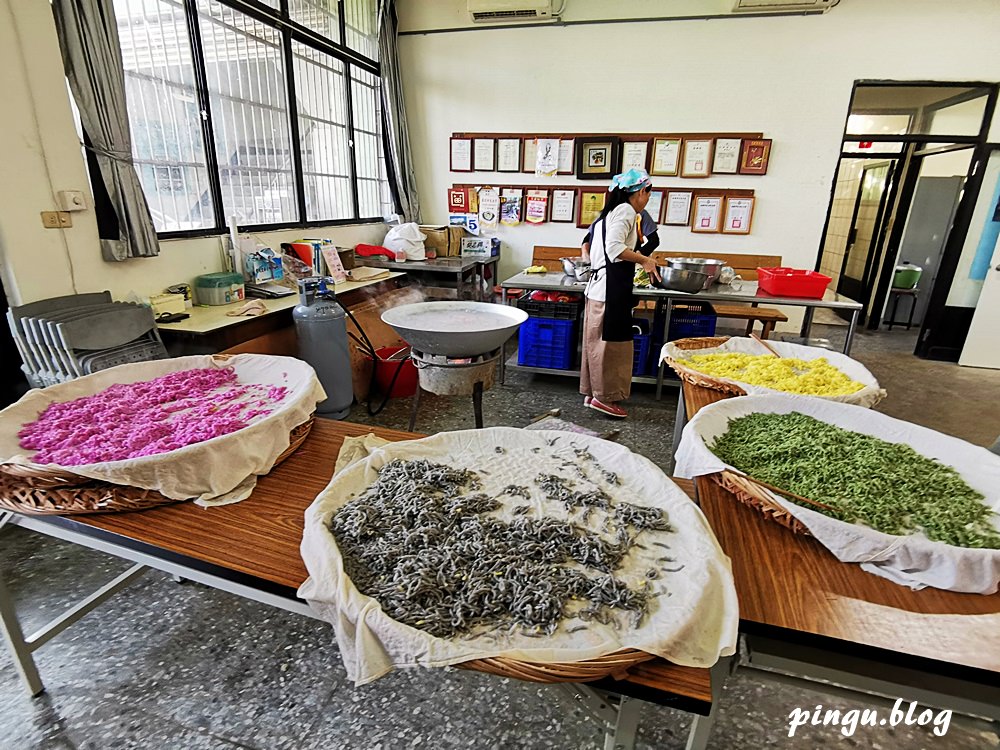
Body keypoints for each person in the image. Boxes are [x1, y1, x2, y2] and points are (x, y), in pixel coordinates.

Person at [579, 169, 660, 419]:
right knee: (612, 347)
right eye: (648, 193)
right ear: (640, 192)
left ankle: (593, 393)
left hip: (598, 289)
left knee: (595, 342)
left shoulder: (609, 214)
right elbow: (615, 249)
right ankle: (605, 398)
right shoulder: (625, 211)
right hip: (610, 290)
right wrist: (645, 259)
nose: (648, 199)